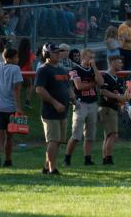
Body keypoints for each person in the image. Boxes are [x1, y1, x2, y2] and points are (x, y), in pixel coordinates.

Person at [34, 43, 70, 175]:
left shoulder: (61, 70)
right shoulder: (43, 69)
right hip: (51, 112)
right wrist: (55, 103)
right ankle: (52, 168)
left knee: (58, 141)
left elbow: (66, 87)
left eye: (59, 52)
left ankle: (46, 166)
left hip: (63, 111)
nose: (58, 54)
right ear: (46, 54)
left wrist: (72, 99)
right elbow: (39, 89)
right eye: (55, 52)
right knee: (53, 140)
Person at [64, 47, 103, 166]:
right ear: (82, 57)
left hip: (92, 103)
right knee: (76, 135)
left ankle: (87, 158)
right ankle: (67, 158)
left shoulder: (93, 69)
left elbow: (100, 82)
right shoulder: (75, 69)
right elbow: (79, 86)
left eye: (93, 57)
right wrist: (93, 84)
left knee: (90, 135)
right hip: (81, 103)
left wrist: (95, 68)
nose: (92, 59)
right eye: (89, 57)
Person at [98, 54, 130, 165]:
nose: (121, 64)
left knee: (108, 135)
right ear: (112, 63)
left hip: (114, 107)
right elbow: (103, 92)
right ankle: (108, 158)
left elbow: (121, 95)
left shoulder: (119, 79)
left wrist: (122, 102)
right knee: (113, 134)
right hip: (107, 107)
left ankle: (105, 158)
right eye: (119, 62)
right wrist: (118, 97)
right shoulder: (105, 76)